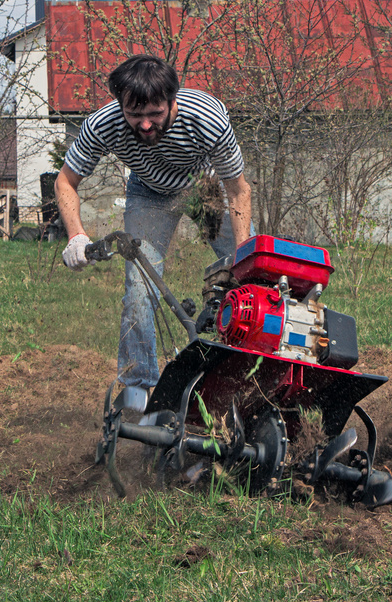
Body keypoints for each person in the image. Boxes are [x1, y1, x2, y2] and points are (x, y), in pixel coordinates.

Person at [55, 54, 252, 412]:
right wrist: (76, 236)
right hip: (148, 193)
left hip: (202, 187)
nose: (145, 125)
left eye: (155, 114)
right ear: (121, 107)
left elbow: (238, 190)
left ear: (172, 100)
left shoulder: (206, 118)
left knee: (254, 276)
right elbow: (65, 181)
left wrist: (242, 257)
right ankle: (138, 391)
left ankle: (258, 371)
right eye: (134, 115)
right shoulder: (103, 124)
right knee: (139, 289)